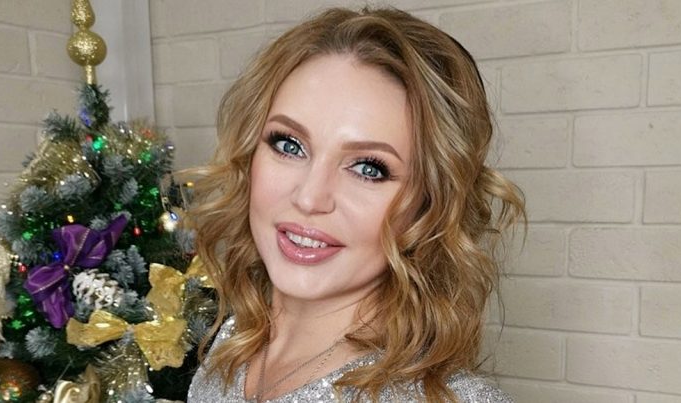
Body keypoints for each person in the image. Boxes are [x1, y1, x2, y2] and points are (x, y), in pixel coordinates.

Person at [185, 6, 525, 403]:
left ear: (429, 203)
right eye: (289, 145)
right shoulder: (232, 344)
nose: (309, 198)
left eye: (368, 168)